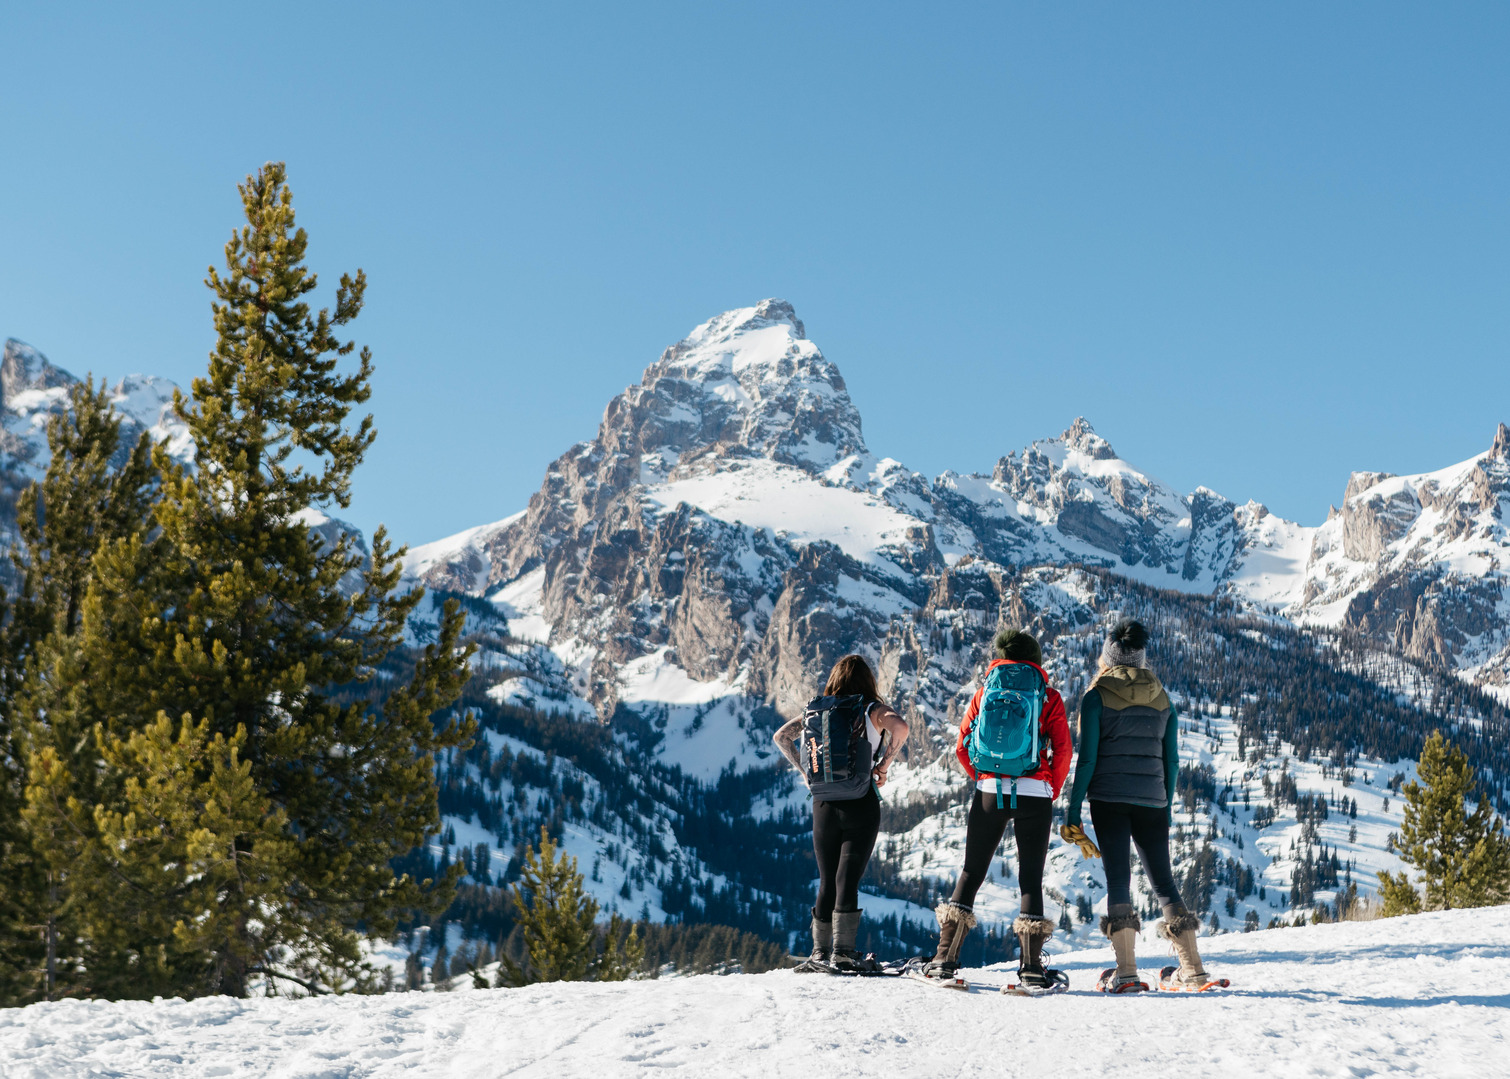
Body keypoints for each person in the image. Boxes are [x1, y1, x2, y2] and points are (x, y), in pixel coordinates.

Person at [1062, 618, 1221, 992]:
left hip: (1108, 799)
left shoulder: (1096, 697)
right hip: (1153, 800)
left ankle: (1128, 973)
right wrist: (1164, 807)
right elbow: (1172, 761)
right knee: (1165, 883)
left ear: (1108, 659)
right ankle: (1194, 970)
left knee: (1119, 880)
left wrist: (1072, 814)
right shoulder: (1163, 697)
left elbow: (1086, 760)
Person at [923, 628, 1072, 989]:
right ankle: (1032, 970)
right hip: (1035, 791)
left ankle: (943, 961)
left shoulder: (983, 693)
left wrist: (985, 776)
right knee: (1030, 877)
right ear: (1035, 659)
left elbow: (962, 745)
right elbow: (1063, 750)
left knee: (971, 872)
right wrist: (1049, 788)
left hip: (989, 790)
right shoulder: (1048, 696)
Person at [773, 654, 909, 973]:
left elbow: (781, 737)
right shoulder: (871, 709)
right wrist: (884, 765)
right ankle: (844, 954)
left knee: (826, 880)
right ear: (867, 682)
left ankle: (820, 953)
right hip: (861, 801)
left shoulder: (815, 712)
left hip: (822, 804)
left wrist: (806, 772)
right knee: (848, 878)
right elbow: (900, 727)